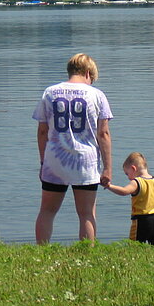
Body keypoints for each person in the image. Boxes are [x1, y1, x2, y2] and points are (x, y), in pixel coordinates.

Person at [33, 53, 113, 244]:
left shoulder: (50, 92)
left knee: (47, 210)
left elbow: (42, 131)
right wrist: (108, 168)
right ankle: (87, 254)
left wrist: (43, 161)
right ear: (88, 73)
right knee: (86, 213)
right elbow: (103, 134)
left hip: (55, 161)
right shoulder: (97, 95)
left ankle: (41, 250)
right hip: (85, 161)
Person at [103, 152, 154, 245]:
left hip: (141, 220)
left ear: (133, 169)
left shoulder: (136, 182)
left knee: (135, 245)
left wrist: (109, 186)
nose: (128, 177)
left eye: (127, 174)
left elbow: (124, 191)